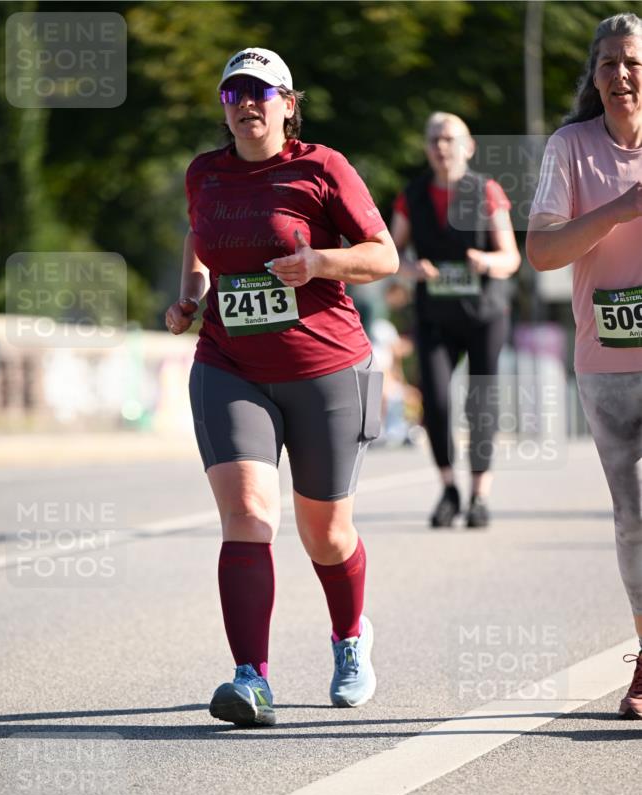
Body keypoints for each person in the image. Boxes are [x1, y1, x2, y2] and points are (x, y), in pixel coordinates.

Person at [164, 48, 398, 727]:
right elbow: (196, 239)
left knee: (324, 534)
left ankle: (350, 637)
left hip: (329, 369)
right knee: (246, 515)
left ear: (288, 104)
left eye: (260, 93)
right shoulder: (204, 173)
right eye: (232, 92)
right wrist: (189, 296)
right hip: (229, 365)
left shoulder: (321, 167)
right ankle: (250, 679)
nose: (245, 104)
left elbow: (382, 254)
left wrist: (319, 261)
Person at [527, 12, 642, 720]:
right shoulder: (570, 149)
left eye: (631, 61)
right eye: (607, 64)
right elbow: (540, 253)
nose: (621, 75)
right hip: (607, 359)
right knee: (632, 520)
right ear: (592, 75)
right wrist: (619, 208)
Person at [391, 113, 521, 527]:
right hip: (435, 315)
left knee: (480, 402)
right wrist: (413, 270)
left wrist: (485, 260)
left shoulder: (486, 191)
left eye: (449, 139)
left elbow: (511, 258)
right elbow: (391, 256)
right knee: (437, 400)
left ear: (468, 146)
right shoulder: (410, 195)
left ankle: (480, 493)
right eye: (434, 139)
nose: (441, 147)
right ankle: (449, 488)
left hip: (484, 313)